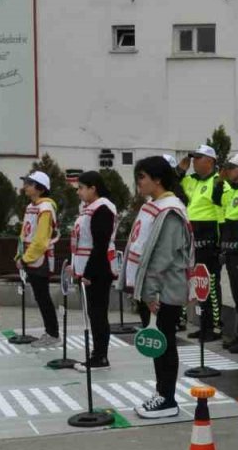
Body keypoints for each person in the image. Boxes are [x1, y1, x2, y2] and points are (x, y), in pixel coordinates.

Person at [125, 157, 192, 418]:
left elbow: (162, 256)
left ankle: (168, 399)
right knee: (157, 345)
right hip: (151, 289)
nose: (138, 183)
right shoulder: (153, 205)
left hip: (163, 291)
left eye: (142, 177)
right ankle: (161, 393)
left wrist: (151, 292)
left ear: (158, 179)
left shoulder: (171, 211)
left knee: (164, 344)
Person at [71, 171, 117, 370]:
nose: (78, 192)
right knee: (93, 313)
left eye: (81, 188)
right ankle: (97, 352)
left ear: (93, 188)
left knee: (98, 314)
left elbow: (100, 245)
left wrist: (89, 273)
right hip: (87, 269)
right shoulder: (88, 209)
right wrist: (74, 266)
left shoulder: (103, 208)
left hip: (99, 270)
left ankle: (101, 356)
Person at [178, 144, 223, 342]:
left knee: (211, 284)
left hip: (210, 238)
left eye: (198, 158)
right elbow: (170, 185)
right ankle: (204, 324)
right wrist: (181, 169)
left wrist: (220, 243)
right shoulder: (191, 180)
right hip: (193, 238)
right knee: (199, 284)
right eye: (193, 158)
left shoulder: (217, 181)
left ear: (210, 161)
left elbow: (221, 212)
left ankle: (215, 327)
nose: (194, 162)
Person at [17, 171, 61, 347]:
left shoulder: (46, 208)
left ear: (40, 188)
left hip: (40, 259)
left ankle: (53, 334)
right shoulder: (31, 206)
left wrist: (25, 259)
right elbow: (24, 233)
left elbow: (41, 240)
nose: (25, 186)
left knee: (43, 297)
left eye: (29, 183)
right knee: (40, 297)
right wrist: (19, 255)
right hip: (30, 257)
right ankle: (50, 333)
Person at [218, 153, 238, 353]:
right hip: (230, 251)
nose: (228, 171)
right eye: (227, 168)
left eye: (232, 167)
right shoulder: (231, 191)